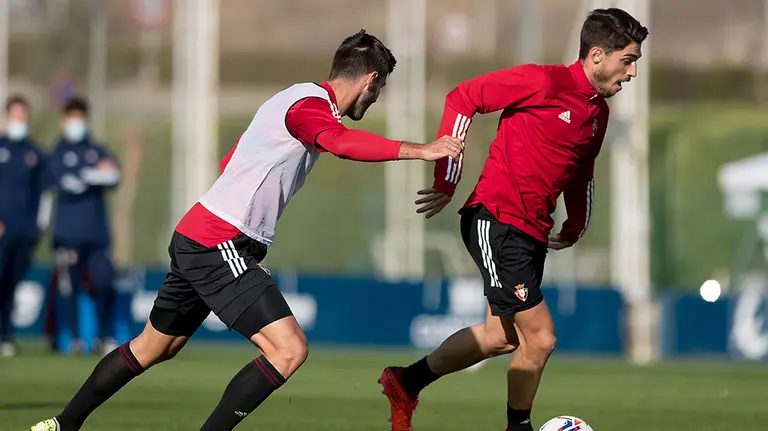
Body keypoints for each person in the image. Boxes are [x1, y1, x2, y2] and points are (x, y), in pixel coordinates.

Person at [32, 29, 463, 431]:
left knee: (154, 346)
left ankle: (61, 425)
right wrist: (421, 150)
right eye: (380, 89)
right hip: (218, 240)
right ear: (370, 80)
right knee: (288, 349)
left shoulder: (291, 98)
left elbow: (232, 160)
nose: (377, 98)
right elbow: (342, 144)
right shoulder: (310, 107)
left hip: (201, 234)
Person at [379, 8, 649, 431]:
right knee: (541, 338)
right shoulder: (543, 82)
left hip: (531, 231)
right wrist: (447, 178)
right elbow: (463, 97)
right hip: (496, 219)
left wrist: (576, 223)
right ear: (597, 55)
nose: (632, 72)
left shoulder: (599, 114)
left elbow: (582, 170)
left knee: (501, 337)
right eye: (627, 60)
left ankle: (406, 382)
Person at [43, 97, 121, 356]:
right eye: (72, 118)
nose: (77, 123)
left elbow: (114, 176)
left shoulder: (96, 149)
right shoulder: (57, 153)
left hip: (97, 234)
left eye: (81, 118)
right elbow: (68, 184)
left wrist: (92, 175)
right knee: (69, 288)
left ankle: (103, 337)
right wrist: (94, 175)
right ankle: (74, 339)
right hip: (69, 235)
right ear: (64, 120)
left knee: (104, 282)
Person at [0, 95, 46, 357]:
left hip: (24, 233)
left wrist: (36, 229)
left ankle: (6, 335)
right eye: (15, 115)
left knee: (11, 284)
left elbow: (43, 195)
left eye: (23, 116)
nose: (20, 120)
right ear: (7, 117)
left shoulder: (35, 154)